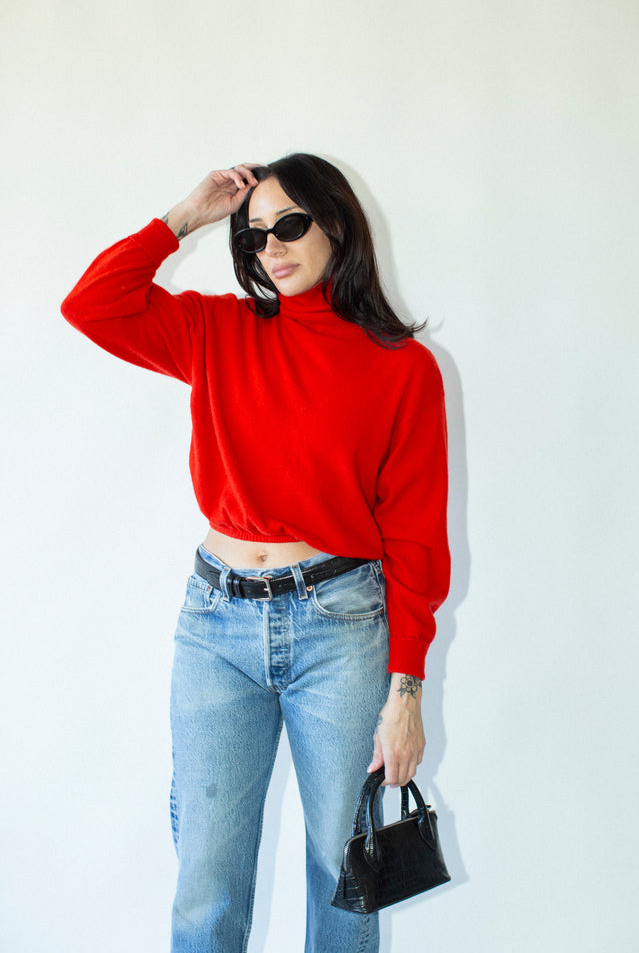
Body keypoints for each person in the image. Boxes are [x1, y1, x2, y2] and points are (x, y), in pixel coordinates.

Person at [61, 154, 450, 953]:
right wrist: (185, 217)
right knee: (208, 881)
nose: (272, 246)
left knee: (344, 881)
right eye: (255, 235)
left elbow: (416, 536)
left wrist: (406, 691)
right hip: (216, 627)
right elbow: (90, 306)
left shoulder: (402, 369)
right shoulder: (217, 332)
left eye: (292, 225)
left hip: (340, 629)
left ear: (337, 223)